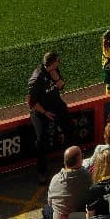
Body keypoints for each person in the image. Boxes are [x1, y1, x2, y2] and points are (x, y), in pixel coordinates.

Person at [27, 51, 76, 183]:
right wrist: (44, 112)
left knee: (70, 127)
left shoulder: (55, 70)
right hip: (41, 111)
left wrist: (57, 79)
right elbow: (31, 102)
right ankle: (42, 172)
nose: (59, 63)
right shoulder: (37, 78)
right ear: (52, 62)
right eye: (57, 61)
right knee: (41, 140)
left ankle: (72, 163)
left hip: (56, 105)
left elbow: (61, 86)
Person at [46, 145, 92, 219]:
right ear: (79, 161)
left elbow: (50, 202)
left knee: (46, 209)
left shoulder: (55, 179)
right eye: (82, 156)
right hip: (79, 218)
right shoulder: (86, 176)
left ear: (65, 162)